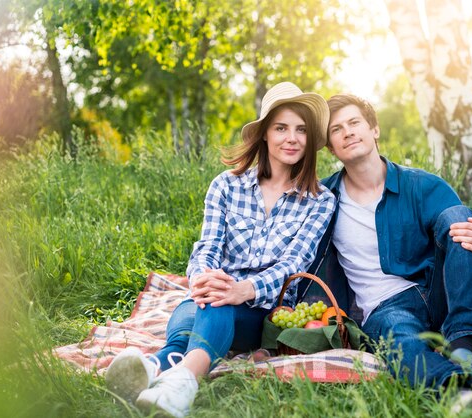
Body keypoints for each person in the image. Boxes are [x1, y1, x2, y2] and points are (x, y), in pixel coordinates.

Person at [105, 82, 336, 417]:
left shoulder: (318, 201)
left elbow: (293, 264)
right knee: (209, 299)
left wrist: (244, 289)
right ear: (265, 135)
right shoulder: (226, 185)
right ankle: (163, 375)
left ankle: (175, 377)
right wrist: (202, 277)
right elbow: (207, 247)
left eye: (301, 130)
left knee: (220, 300)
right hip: (211, 296)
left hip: (262, 311)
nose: (292, 138)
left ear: (310, 140)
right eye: (281, 128)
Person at [303, 93, 472, 412]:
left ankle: (464, 348)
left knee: (458, 218)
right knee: (400, 339)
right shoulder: (322, 201)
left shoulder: (422, 185)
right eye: (337, 129)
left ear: (374, 130)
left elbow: (468, 257)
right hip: (385, 308)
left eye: (355, 122)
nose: (348, 131)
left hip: (437, 293)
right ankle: (464, 391)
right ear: (331, 147)